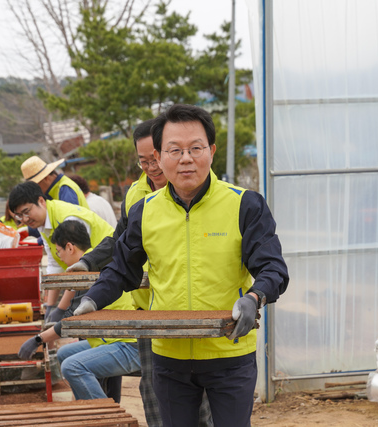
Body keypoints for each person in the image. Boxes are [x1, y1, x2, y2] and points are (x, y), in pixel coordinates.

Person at [74, 104, 290, 427]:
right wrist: (93, 298)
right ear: (159, 157)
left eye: (195, 148)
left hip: (229, 353)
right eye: (175, 150)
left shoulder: (245, 204)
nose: (186, 158)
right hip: (169, 357)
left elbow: (273, 268)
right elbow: (122, 267)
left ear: (212, 151)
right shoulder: (144, 210)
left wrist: (254, 297)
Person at [67, 119, 213, 427]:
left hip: (198, 310)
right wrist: (89, 261)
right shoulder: (137, 195)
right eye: (143, 160)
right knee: (155, 389)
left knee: (201, 395)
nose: (151, 166)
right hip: (150, 311)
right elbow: (119, 240)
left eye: (155, 158)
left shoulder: (203, 189)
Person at [17, 221, 141, 401]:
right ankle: (86, 404)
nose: (59, 258)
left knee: (72, 366)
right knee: (64, 353)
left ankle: (106, 416)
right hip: (112, 336)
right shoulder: (93, 262)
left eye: (58, 251)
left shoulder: (88, 272)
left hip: (128, 342)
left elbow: (72, 323)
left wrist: (38, 339)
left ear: (69, 247)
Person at [7, 181, 114, 324]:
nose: (25, 219)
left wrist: (61, 309)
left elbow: (78, 271)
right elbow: (54, 265)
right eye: (19, 216)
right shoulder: (43, 223)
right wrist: (50, 306)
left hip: (110, 275)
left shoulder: (69, 220)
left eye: (26, 212)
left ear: (41, 201)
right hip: (94, 279)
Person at [21, 155, 89, 208]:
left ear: (46, 178)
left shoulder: (64, 188)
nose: (34, 190)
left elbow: (71, 221)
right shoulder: (54, 191)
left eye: (35, 185)